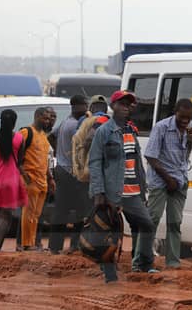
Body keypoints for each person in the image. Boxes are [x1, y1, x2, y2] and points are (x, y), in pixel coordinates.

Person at [89, 90, 157, 282]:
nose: (126, 108)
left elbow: (135, 163)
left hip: (133, 192)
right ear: (113, 106)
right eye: (122, 104)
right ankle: (109, 274)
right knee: (110, 235)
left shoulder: (131, 130)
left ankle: (144, 265)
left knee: (147, 225)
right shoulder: (104, 131)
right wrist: (99, 192)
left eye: (129, 104)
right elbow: (95, 162)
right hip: (112, 193)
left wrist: (143, 189)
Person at [144, 98, 192, 268]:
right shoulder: (161, 127)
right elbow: (150, 156)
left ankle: (173, 262)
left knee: (175, 223)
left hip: (179, 180)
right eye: (182, 117)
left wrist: (191, 141)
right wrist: (168, 179)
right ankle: (143, 260)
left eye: (188, 118)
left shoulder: (189, 126)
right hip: (161, 181)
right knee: (152, 220)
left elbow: (184, 155)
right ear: (175, 112)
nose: (185, 121)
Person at [48, 95, 90, 254]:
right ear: (76, 107)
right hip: (72, 172)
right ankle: (75, 244)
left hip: (62, 169)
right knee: (82, 210)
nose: (87, 109)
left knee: (61, 210)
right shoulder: (76, 126)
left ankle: (55, 246)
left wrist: (61, 153)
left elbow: (51, 136)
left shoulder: (66, 121)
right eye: (85, 105)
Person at [0, 109, 27, 252]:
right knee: (6, 215)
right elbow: (20, 162)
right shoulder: (20, 138)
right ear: (14, 122)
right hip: (11, 180)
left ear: (1, 121)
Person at [18, 107, 55, 251]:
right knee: (28, 212)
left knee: (36, 214)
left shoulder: (43, 136)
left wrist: (50, 178)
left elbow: (44, 160)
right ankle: (26, 243)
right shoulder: (26, 132)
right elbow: (17, 156)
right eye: (45, 118)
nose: (47, 121)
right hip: (30, 179)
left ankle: (32, 243)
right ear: (37, 117)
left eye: (49, 118)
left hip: (42, 181)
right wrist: (24, 174)